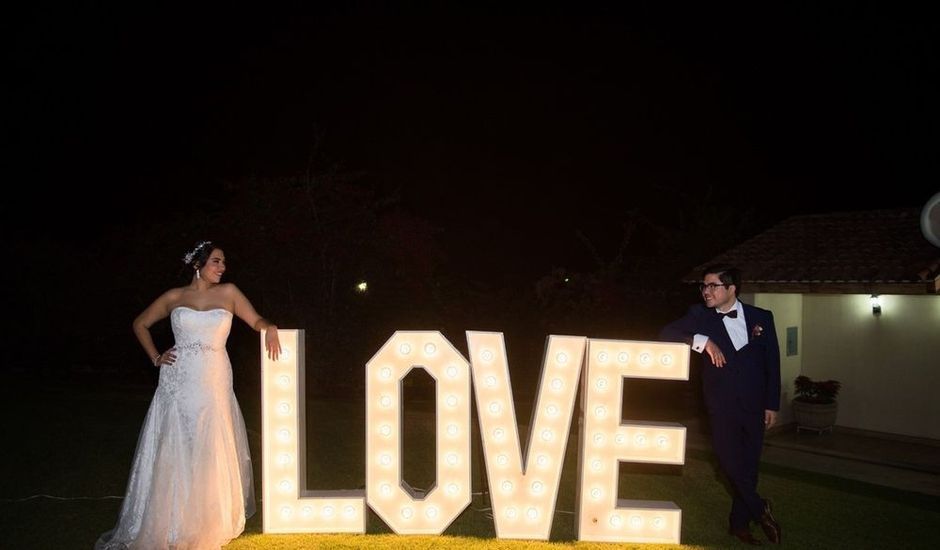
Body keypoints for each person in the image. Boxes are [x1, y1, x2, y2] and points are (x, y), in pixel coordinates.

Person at [96, 240, 281, 550]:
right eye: (217, 261)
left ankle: (209, 517)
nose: (222, 267)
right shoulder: (174, 297)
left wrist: (270, 326)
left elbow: (256, 320)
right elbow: (140, 323)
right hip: (178, 379)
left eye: (223, 262)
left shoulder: (230, 293)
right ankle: (171, 517)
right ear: (199, 264)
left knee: (209, 441)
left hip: (213, 376)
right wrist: (156, 357)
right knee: (176, 441)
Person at [660, 264, 782, 545]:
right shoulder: (699, 316)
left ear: (732, 288)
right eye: (703, 286)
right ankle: (760, 507)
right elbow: (665, 333)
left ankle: (739, 524)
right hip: (721, 407)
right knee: (728, 464)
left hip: (755, 406)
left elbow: (772, 364)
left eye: (713, 285)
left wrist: (771, 404)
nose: (706, 291)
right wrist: (702, 341)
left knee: (749, 468)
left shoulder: (761, 317)